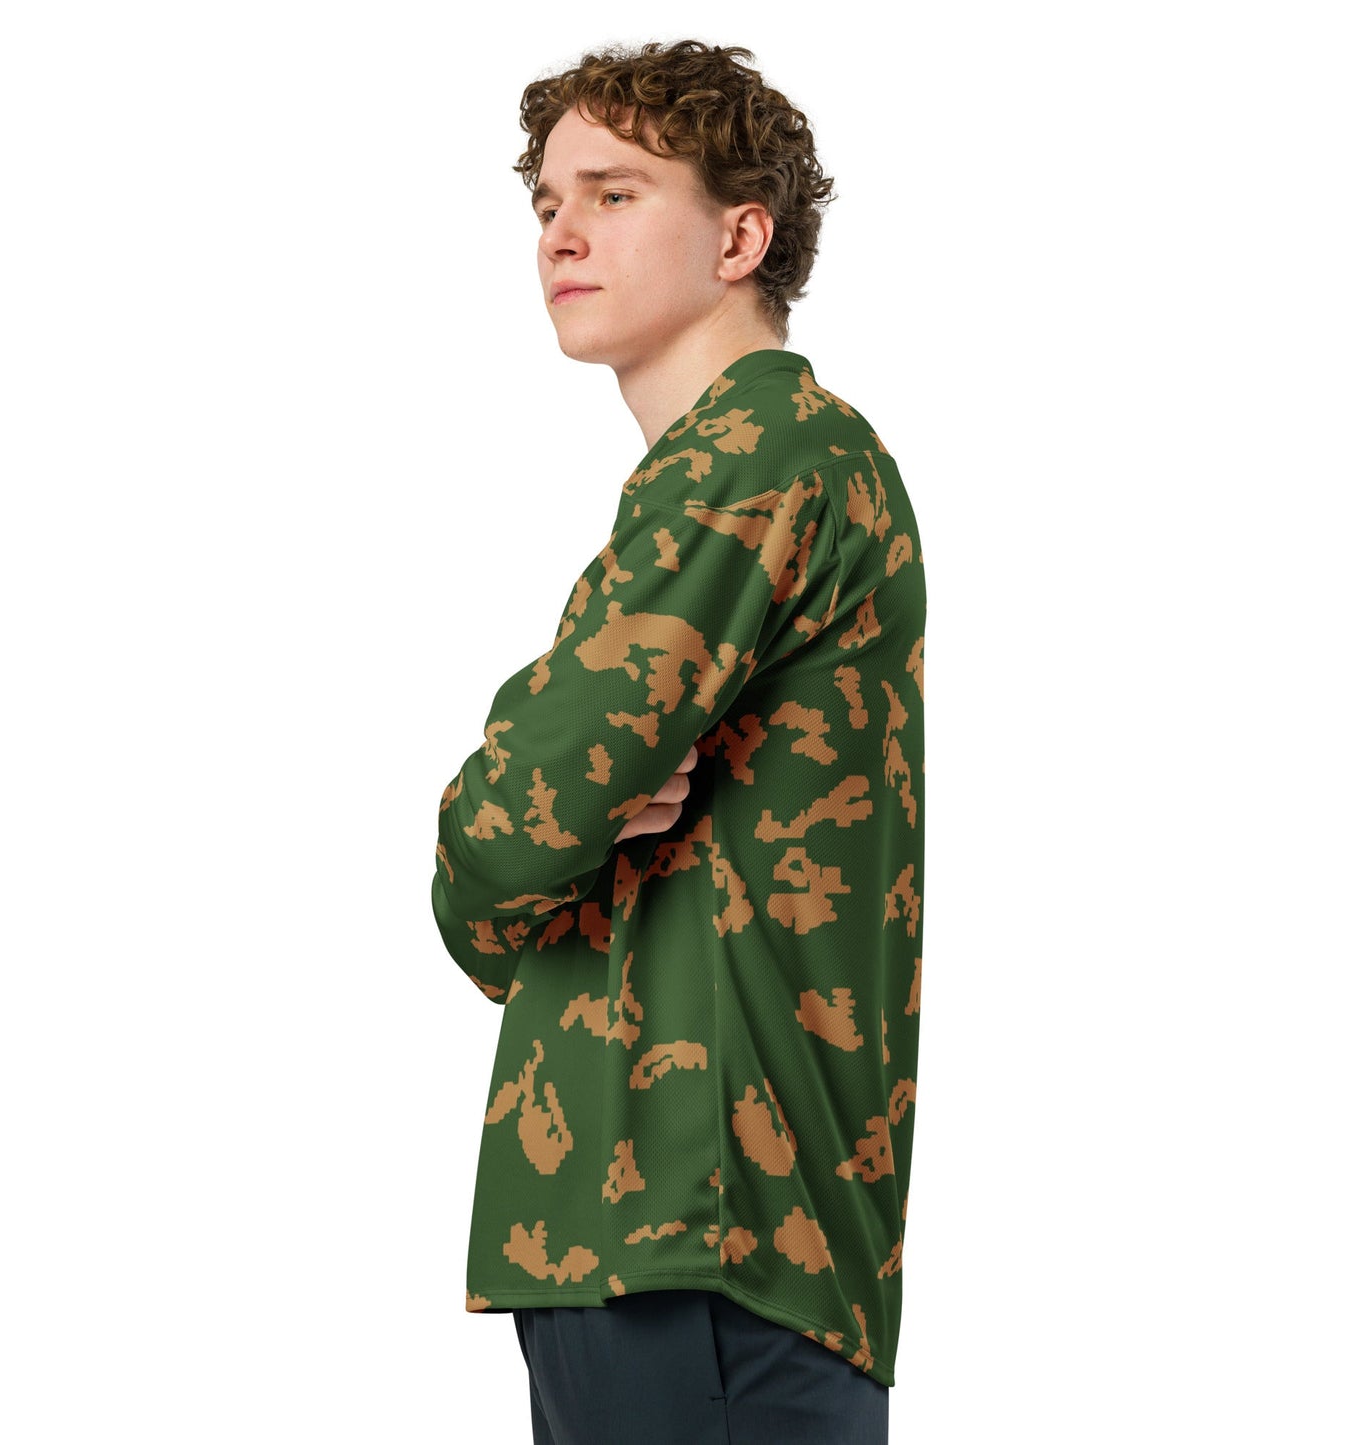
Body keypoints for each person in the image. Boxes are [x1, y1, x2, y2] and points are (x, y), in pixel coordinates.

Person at [431, 38, 926, 1445]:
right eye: (546, 202)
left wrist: (510, 816)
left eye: (615, 192)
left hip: (691, 1228)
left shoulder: (755, 456)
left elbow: (502, 836)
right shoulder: (734, 469)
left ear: (740, 239)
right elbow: (540, 814)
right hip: (679, 1231)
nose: (560, 232)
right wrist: (544, 804)